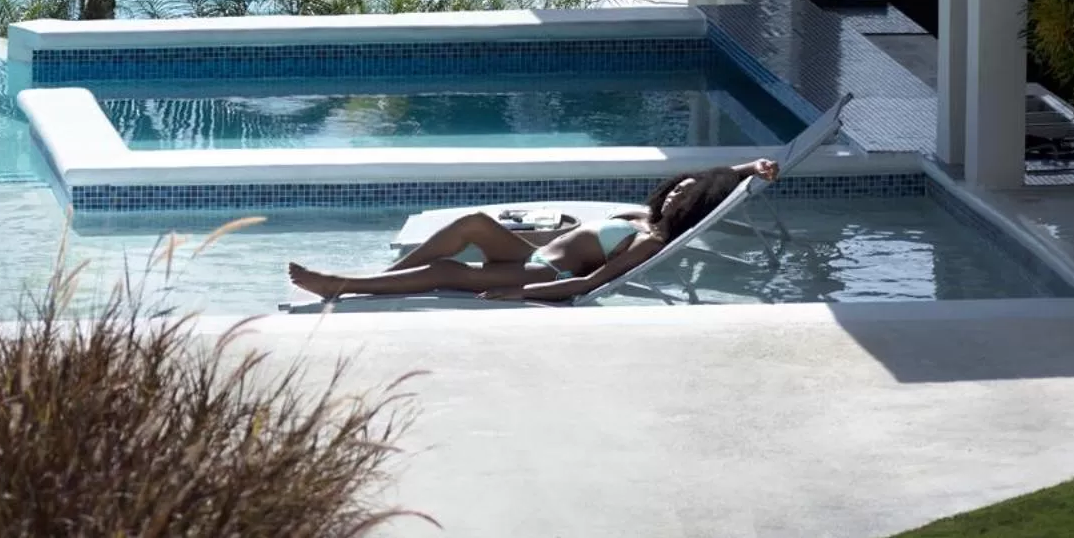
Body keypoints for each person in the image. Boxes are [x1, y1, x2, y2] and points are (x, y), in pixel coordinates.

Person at [286, 158, 780, 303]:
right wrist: (747, 169)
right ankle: (381, 278)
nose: (673, 195)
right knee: (472, 224)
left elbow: (591, 283)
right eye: (675, 188)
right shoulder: (644, 216)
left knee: (444, 270)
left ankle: (341, 286)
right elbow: (714, 182)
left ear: (696, 208)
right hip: (530, 253)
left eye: (684, 197)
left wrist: (522, 294)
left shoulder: (651, 239)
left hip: (532, 272)